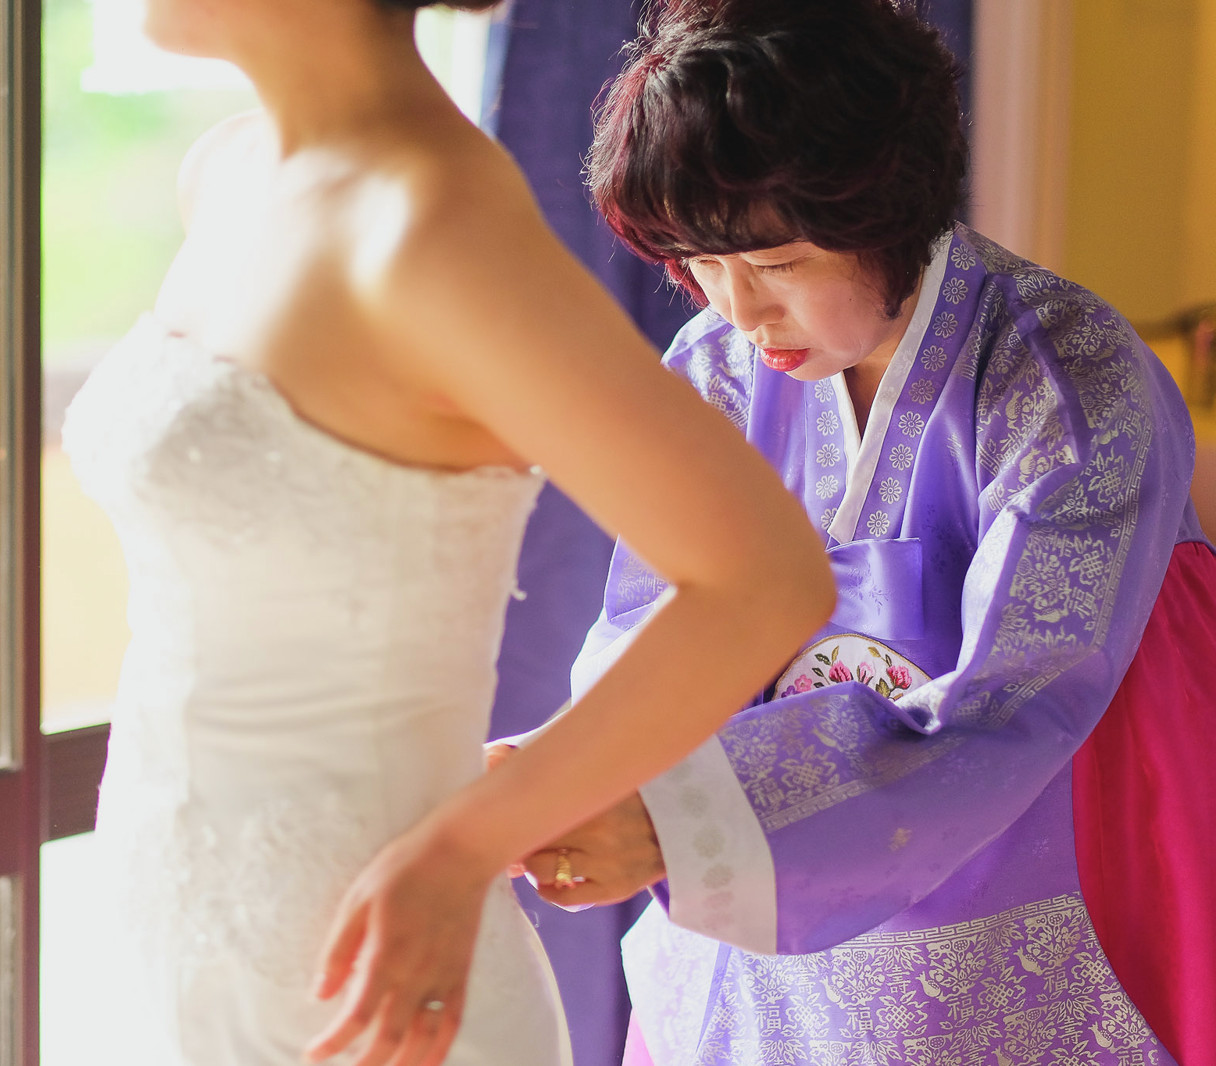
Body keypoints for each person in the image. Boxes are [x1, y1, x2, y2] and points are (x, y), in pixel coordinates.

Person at [60, 0, 836, 1062]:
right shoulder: (225, 172)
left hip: (368, 973)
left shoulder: (435, 223)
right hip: (169, 923)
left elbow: (764, 580)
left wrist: (470, 844)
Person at [500, 2, 1216, 1064]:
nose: (739, 310)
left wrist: (678, 821)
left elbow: (1011, 702)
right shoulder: (712, 368)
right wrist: (574, 767)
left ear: (889, 205)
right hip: (740, 939)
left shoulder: (1067, 383)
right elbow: (649, 621)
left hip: (1006, 897)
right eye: (700, 263)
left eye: (778, 263)